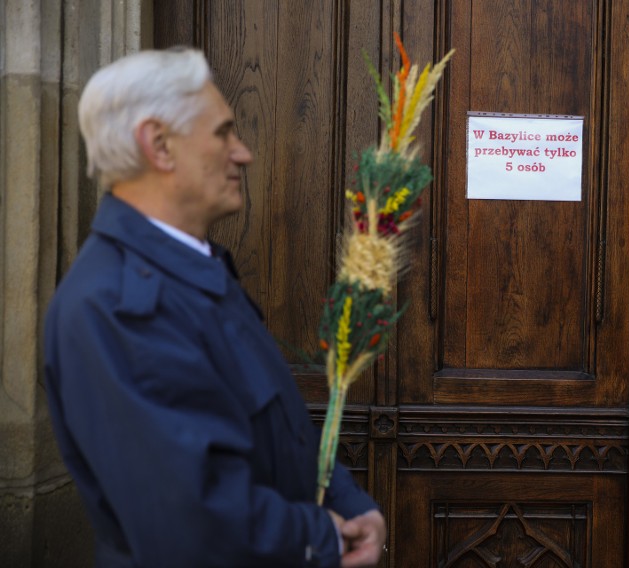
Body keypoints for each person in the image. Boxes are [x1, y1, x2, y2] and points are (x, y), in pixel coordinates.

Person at [43, 47, 386, 567]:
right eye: (224, 133)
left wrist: (348, 502)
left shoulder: (194, 267)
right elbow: (190, 521)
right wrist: (318, 535)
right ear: (159, 145)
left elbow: (279, 427)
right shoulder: (113, 304)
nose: (243, 153)